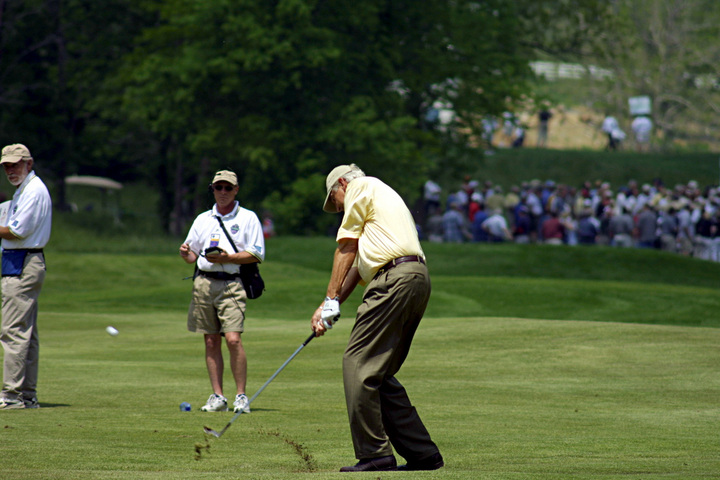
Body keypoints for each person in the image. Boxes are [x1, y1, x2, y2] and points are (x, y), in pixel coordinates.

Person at [311, 164, 443, 472]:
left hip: (394, 278)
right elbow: (357, 268)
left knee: (357, 364)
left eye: (335, 200)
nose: (339, 208)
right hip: (415, 277)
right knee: (378, 374)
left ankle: (374, 454)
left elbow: (346, 247)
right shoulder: (381, 197)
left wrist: (330, 300)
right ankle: (423, 454)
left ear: (342, 183)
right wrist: (330, 304)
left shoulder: (361, 187)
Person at [179, 170, 265, 414]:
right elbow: (192, 255)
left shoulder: (248, 217)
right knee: (210, 340)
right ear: (213, 189)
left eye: (228, 188)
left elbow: (256, 254)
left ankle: (241, 396)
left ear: (236, 190)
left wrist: (228, 258)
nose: (223, 192)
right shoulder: (203, 219)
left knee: (233, 339)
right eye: (219, 187)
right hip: (204, 283)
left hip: (232, 283)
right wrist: (185, 253)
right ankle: (218, 397)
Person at [0, 144, 52, 409]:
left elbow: (15, 232)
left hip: (23, 261)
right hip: (19, 261)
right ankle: (26, 395)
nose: (11, 170)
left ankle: (12, 396)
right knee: (25, 333)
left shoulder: (33, 191)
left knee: (13, 331)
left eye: (15, 165)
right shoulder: (23, 190)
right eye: (7, 166)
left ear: (28, 164)